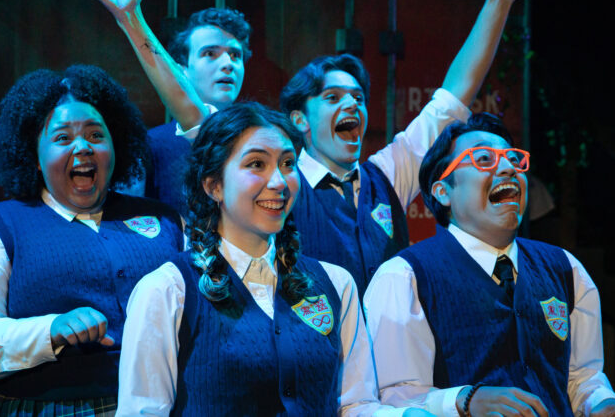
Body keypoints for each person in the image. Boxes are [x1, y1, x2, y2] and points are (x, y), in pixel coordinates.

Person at [68, 0, 556, 295]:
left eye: (358, 98)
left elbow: (455, 95)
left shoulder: (387, 174)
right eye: (332, 97)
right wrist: (131, 18)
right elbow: (192, 109)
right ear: (299, 120)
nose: (351, 105)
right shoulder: (273, 179)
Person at [115, 102, 430, 416]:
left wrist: (404, 414)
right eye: (256, 164)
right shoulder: (168, 290)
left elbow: (355, 405)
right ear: (214, 186)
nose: (279, 182)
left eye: (288, 164)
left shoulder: (336, 283)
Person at [0, 65, 183, 416]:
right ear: (34, 156)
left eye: (95, 135)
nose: (82, 146)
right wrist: (49, 330)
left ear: (116, 145)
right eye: (62, 138)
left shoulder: (166, 220)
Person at [363, 113, 615, 417]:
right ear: (443, 191)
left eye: (513, 159)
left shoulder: (566, 270)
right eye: (484, 159)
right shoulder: (404, 278)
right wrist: (465, 400)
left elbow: (582, 378)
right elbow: (396, 399)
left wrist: (601, 403)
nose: (508, 168)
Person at [142, 7, 252, 215]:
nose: (228, 64)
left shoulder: (259, 136)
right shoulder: (153, 144)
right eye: (210, 53)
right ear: (183, 68)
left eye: (235, 55)